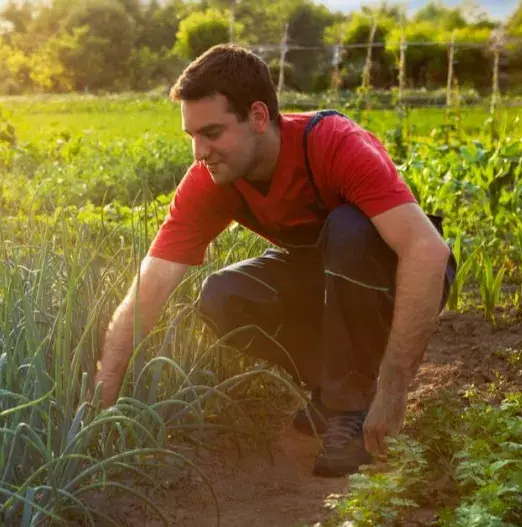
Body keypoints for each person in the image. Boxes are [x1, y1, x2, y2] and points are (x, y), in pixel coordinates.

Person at [91, 44, 456, 478]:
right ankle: (335, 390)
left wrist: (395, 388)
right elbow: (149, 285)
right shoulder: (211, 180)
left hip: (393, 278)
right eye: (192, 137)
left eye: (212, 133)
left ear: (259, 117)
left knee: (348, 229)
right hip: (324, 276)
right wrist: (103, 392)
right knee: (224, 296)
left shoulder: (334, 144)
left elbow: (427, 251)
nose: (199, 152)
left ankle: (349, 407)